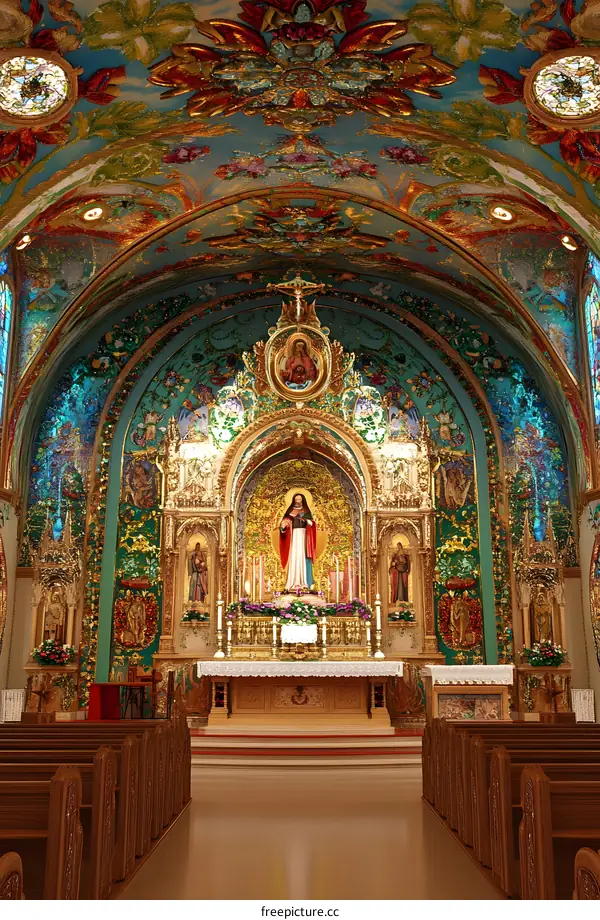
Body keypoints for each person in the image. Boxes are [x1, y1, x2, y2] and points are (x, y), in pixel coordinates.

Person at [279, 493, 317, 590]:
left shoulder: (307, 511)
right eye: (296, 499)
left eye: (299, 499)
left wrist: (309, 522)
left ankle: (304, 581)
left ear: (302, 500)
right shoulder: (290, 511)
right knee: (294, 555)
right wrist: (283, 525)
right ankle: (293, 581)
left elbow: (312, 523)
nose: (298, 501)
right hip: (294, 535)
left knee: (303, 554)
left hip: (304, 536)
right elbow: (285, 522)